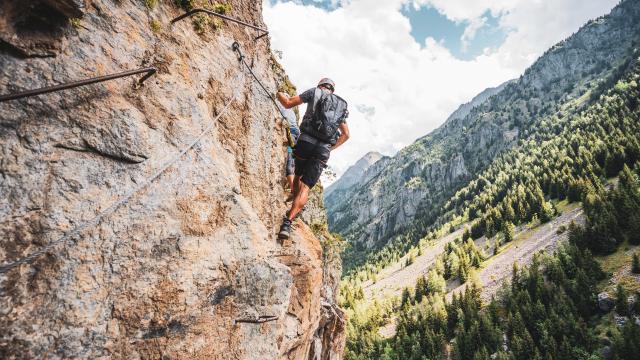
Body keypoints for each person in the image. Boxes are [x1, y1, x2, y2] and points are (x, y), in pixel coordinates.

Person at [275, 78, 350, 240]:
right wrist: (330, 147)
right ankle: (288, 223)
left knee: (297, 175)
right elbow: (346, 135)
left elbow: (288, 103)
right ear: (332, 90)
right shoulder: (339, 106)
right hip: (323, 150)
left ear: (320, 85)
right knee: (306, 187)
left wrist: (278, 93)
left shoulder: (314, 92)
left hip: (306, 141)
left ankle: (293, 199)